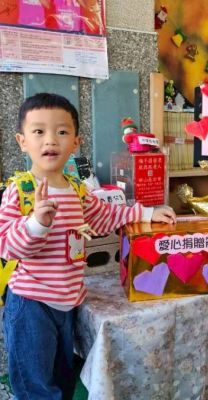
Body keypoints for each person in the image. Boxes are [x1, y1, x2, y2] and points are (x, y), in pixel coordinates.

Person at [0, 92, 176, 400]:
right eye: (39, 131)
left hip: (68, 302)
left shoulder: (78, 191)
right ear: (22, 141)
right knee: (35, 387)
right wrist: (36, 223)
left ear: (76, 142)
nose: (50, 140)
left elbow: (107, 215)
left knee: (62, 378)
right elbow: (6, 245)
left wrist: (148, 213)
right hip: (31, 303)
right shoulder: (21, 190)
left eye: (61, 131)